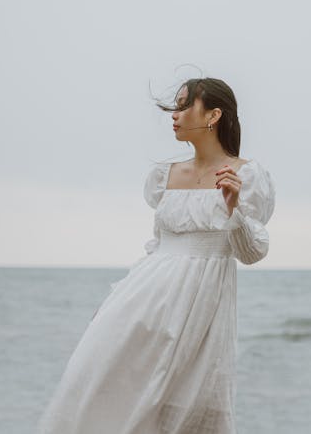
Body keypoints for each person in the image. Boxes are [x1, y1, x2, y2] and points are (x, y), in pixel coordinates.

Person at [36, 77, 276, 434]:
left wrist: (234, 208)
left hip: (201, 308)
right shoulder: (165, 175)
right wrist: (115, 297)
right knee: (98, 379)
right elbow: (156, 248)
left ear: (213, 115)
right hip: (143, 301)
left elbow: (252, 252)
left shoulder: (246, 176)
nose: (174, 116)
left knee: (190, 404)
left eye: (183, 106)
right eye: (174, 107)